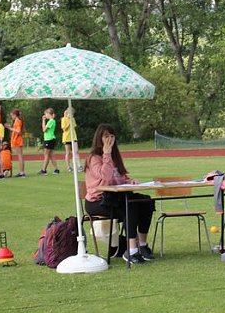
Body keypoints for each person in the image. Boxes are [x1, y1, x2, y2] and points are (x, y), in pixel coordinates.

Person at [83, 123, 155, 264]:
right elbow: (106, 176)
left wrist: (130, 180)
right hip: (97, 201)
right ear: (99, 138)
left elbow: (119, 177)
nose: (109, 139)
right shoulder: (94, 158)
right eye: (106, 136)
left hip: (115, 197)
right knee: (130, 206)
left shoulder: (114, 157)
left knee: (146, 201)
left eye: (112, 136)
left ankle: (142, 245)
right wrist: (107, 154)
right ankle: (131, 250)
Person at [39, 107, 60, 175]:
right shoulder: (51, 121)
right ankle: (56, 169)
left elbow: (44, 130)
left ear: (49, 114)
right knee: (51, 155)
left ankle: (44, 170)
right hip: (49, 139)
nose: (45, 115)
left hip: (49, 139)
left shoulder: (51, 121)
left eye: (46, 114)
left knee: (46, 154)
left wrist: (43, 120)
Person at [5, 108, 26, 177]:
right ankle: (21, 171)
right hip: (17, 139)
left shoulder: (18, 121)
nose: (12, 117)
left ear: (15, 115)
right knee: (20, 156)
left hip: (17, 140)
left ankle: (22, 172)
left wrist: (10, 128)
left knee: (20, 156)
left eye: (12, 115)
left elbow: (18, 131)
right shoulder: (18, 121)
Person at [61, 106, 81, 172]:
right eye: (70, 113)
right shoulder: (63, 119)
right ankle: (69, 167)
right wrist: (69, 122)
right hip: (67, 138)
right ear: (67, 113)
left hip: (73, 137)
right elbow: (64, 129)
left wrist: (71, 120)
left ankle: (79, 166)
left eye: (72, 114)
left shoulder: (73, 119)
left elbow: (74, 127)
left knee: (76, 151)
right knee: (68, 152)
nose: (71, 115)